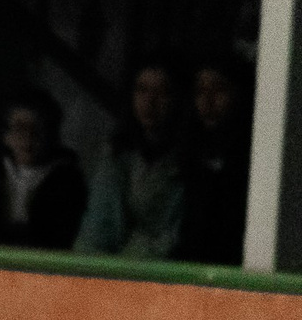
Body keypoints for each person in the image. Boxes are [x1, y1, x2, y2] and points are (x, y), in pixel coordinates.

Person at [77, 58, 185, 257]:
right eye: (142, 89)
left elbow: (172, 236)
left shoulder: (187, 164)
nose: (149, 101)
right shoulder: (114, 155)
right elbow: (96, 228)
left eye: (162, 92)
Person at [0, 88, 88, 249]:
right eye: (19, 128)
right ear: (6, 136)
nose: (28, 137)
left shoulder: (67, 181)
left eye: (37, 129)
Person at [177, 58, 249, 264]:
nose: (208, 100)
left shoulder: (251, 157)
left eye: (219, 89)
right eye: (200, 91)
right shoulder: (187, 149)